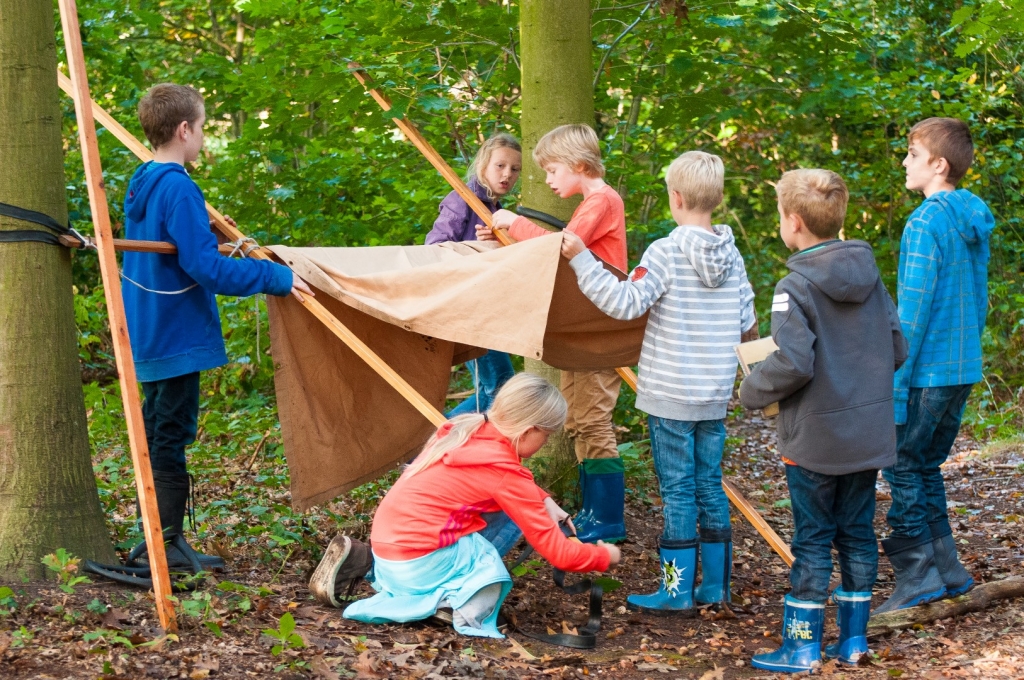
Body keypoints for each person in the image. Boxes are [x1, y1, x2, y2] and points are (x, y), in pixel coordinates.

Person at [122, 83, 312, 567]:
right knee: (170, 433)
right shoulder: (178, 187)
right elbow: (205, 268)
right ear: (185, 130)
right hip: (175, 333)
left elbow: (177, 248)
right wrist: (276, 277)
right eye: (203, 127)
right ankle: (164, 548)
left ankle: (158, 542)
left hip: (150, 329)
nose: (204, 136)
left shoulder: (142, 182)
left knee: (158, 430)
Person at [560, 151, 756, 615]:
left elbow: (625, 303)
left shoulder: (665, 251)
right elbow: (747, 320)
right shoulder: (732, 255)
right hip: (713, 397)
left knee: (678, 492)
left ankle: (675, 590)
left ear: (676, 197)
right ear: (716, 198)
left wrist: (582, 259)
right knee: (709, 486)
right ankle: (716, 588)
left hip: (670, 396)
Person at [740, 169, 908, 672]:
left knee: (812, 538)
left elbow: (794, 363)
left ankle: (802, 646)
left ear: (793, 222)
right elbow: (897, 348)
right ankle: (854, 642)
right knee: (856, 532)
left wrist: (751, 389)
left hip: (813, 440)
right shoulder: (872, 278)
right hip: (867, 438)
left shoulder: (793, 287)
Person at [308, 374, 620, 638]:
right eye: (547, 436)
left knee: (508, 507)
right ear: (529, 431)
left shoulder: (463, 429)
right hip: (417, 566)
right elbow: (560, 554)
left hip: (389, 549)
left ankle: (367, 562)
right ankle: (456, 600)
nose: (545, 444)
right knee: (506, 530)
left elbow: (498, 480)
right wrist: (605, 555)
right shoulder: (506, 474)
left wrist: (544, 499)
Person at [481, 124, 629, 544]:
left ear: (577, 164)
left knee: (593, 421)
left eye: (552, 170)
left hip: (600, 331)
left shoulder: (602, 199)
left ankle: (608, 518)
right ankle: (593, 512)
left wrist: (515, 222)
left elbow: (563, 245)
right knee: (578, 420)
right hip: (583, 330)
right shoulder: (593, 202)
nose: (547, 179)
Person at [876, 118, 993, 614]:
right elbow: (978, 299)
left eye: (912, 154)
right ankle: (947, 570)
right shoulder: (971, 216)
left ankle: (917, 575)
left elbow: (913, 313)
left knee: (901, 463)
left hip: (927, 371)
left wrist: (894, 380)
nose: (905, 162)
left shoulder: (925, 222)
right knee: (923, 465)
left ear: (939, 165)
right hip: (963, 366)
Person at [425, 133, 522, 416]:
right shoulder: (462, 199)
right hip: (466, 308)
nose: (507, 174)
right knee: (502, 389)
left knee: (488, 391)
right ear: (483, 165)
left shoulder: (497, 211)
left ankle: (441, 439)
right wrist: (474, 247)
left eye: (514, 169)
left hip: (486, 308)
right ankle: (437, 439)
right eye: (500, 166)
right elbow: (434, 249)